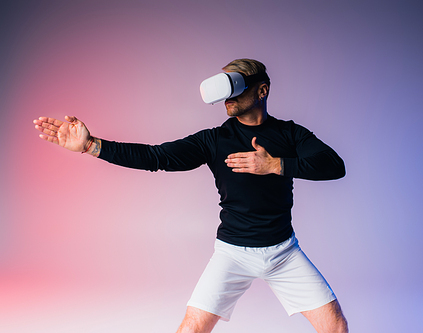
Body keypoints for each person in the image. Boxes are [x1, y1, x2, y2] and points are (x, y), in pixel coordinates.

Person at [33, 58, 348, 333]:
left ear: (261, 91)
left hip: (283, 253)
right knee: (191, 328)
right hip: (233, 253)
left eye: (235, 86)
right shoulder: (214, 140)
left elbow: (334, 166)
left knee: (336, 327)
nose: (226, 97)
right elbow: (157, 158)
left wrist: (276, 164)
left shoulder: (290, 135)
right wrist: (91, 145)